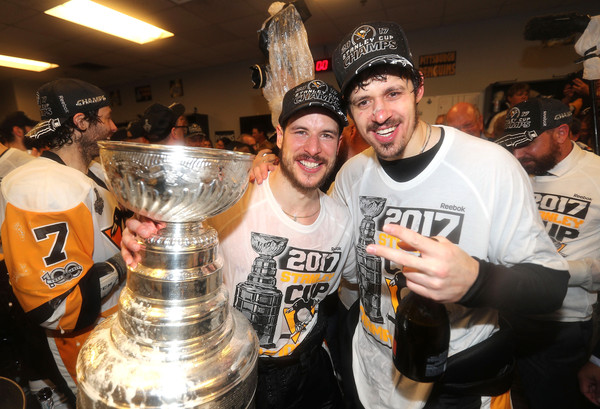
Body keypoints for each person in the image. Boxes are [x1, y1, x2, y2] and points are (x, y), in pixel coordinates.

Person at [326, 21, 568, 409]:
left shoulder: (489, 166)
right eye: (363, 101)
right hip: (369, 370)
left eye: (392, 92)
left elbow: (551, 285)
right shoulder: (352, 175)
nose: (380, 114)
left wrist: (475, 279)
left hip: (455, 384)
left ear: (418, 88)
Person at [122, 79, 356, 409]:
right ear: (279, 136)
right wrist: (144, 234)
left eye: (327, 135)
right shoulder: (231, 201)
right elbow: (166, 240)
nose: (314, 148)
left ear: (339, 142)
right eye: (301, 131)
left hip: (311, 374)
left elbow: (343, 292)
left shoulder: (343, 224)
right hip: (238, 371)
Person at [0, 78, 128, 406]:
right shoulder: (40, 187)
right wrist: (126, 262)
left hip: (113, 328)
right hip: (77, 341)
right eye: (107, 117)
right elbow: (58, 306)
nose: (114, 126)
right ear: (81, 122)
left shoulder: (94, 170)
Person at [496, 97, 600, 409]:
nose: (517, 154)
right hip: (505, 314)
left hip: (561, 326)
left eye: (527, 144)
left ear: (561, 133)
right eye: (513, 145)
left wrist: (560, 271)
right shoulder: (516, 171)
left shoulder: (595, 177)